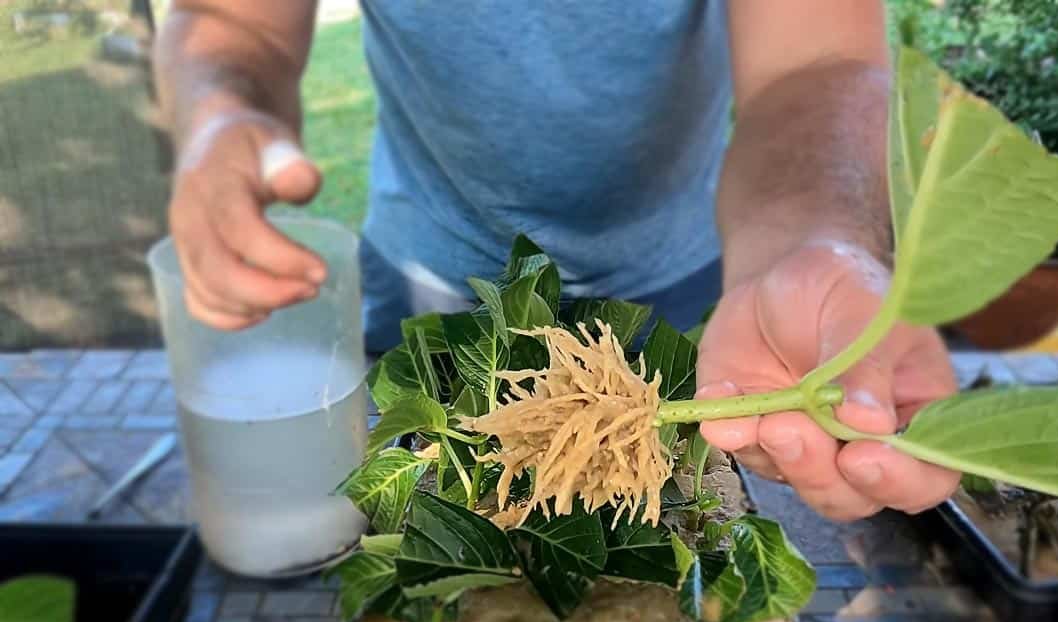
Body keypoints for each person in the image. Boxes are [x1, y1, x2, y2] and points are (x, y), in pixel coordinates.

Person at [154, 0, 960, 523]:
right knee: (433, 557)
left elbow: (812, 62)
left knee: (666, 564)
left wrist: (812, 240)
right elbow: (233, 20)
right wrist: (218, 118)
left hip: (696, 307)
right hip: (433, 287)